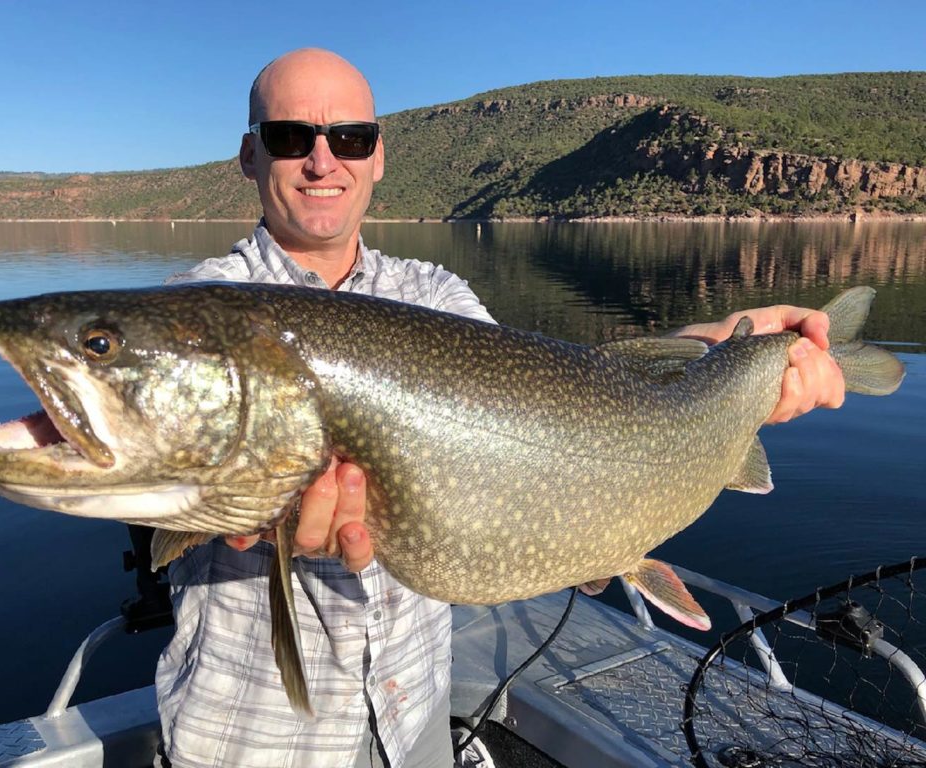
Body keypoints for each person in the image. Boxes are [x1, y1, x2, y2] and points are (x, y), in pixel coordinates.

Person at [155, 48, 845, 768]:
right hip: (251, 737)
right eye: (291, 138)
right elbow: (149, 488)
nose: (323, 162)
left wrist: (719, 355)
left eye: (350, 139)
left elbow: (552, 406)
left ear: (379, 156)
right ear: (248, 154)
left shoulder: (437, 295)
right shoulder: (198, 312)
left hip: (412, 714)